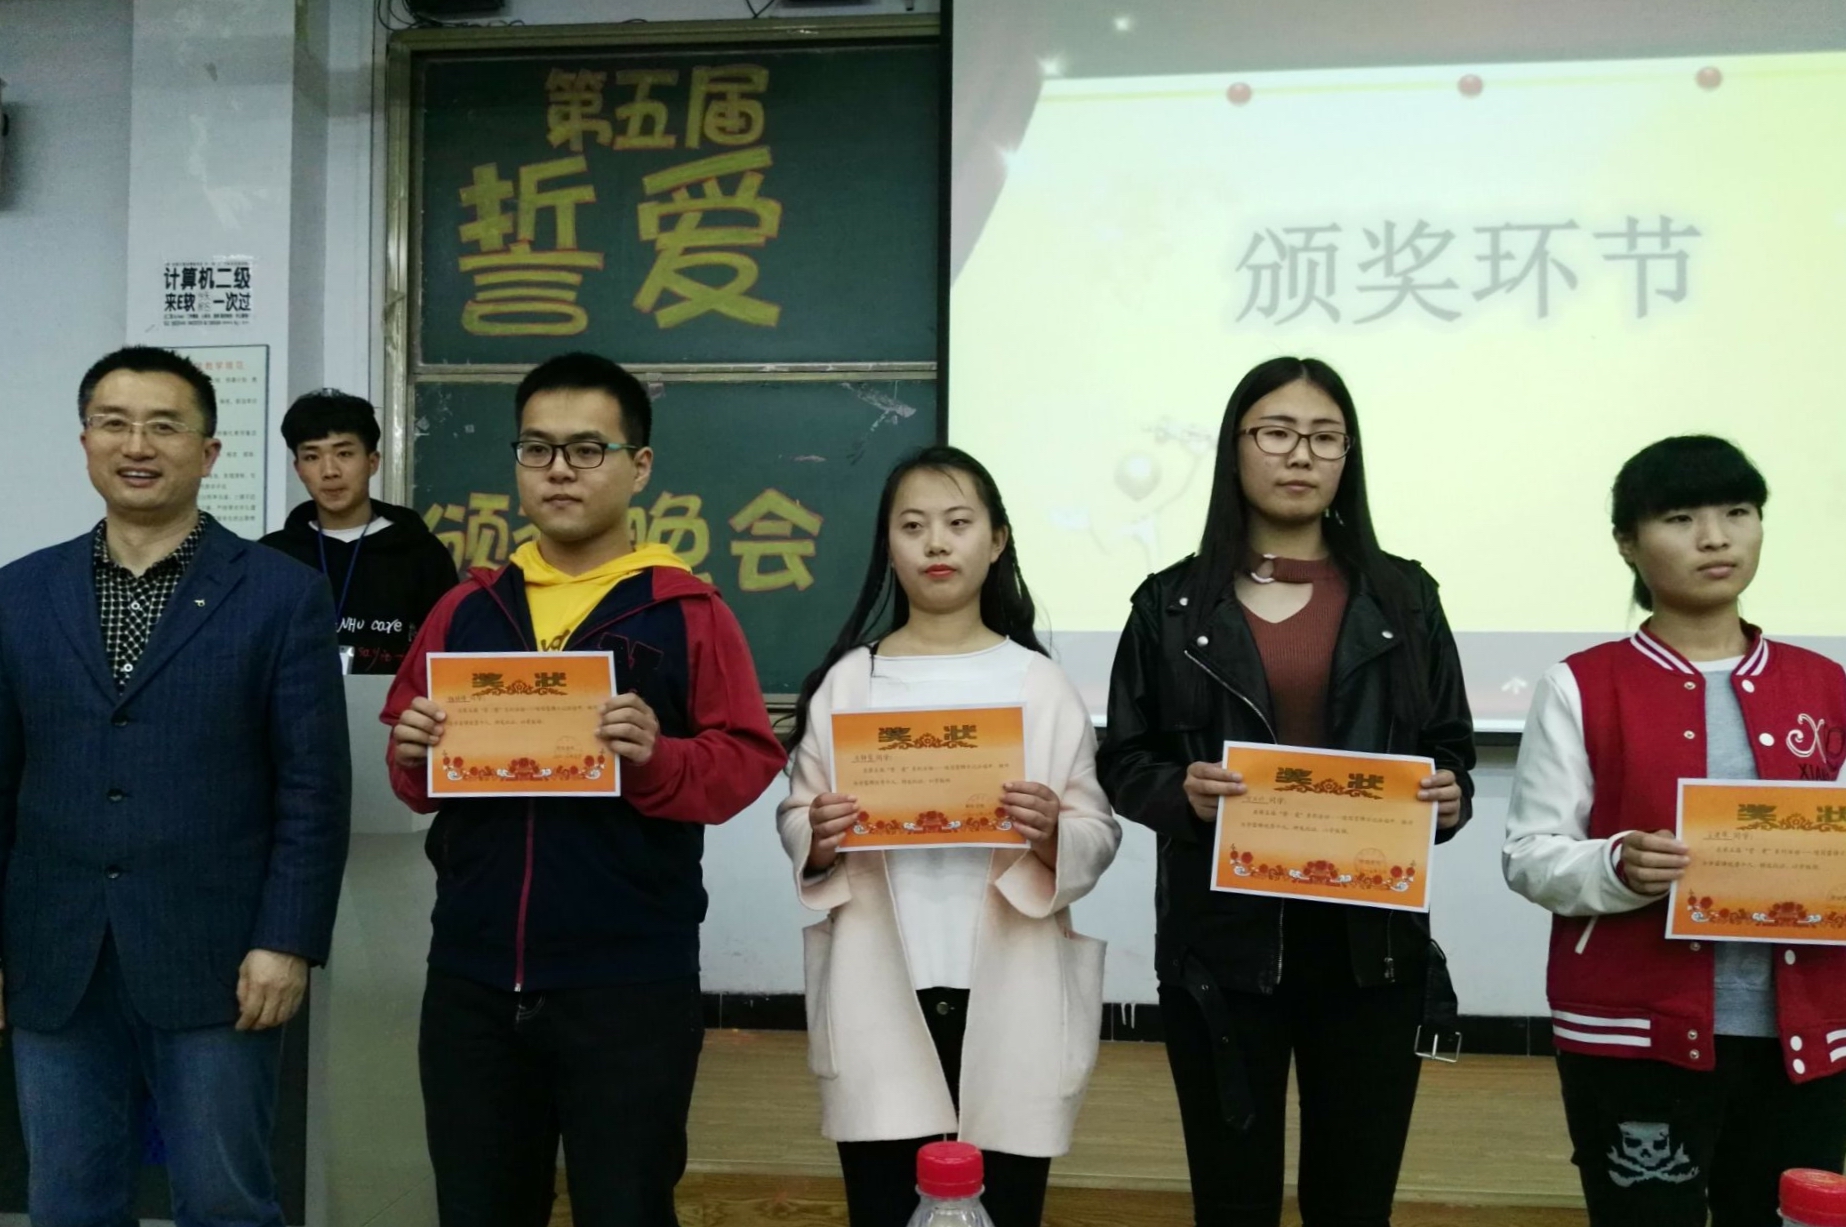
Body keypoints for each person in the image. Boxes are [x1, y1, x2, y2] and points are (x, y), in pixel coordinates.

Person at [381, 351, 786, 1227]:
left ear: (639, 466)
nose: (559, 469)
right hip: (474, 974)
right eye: (537, 448)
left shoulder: (687, 611)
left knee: (626, 1207)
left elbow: (744, 760)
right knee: (478, 1208)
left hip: (628, 980)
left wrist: (656, 757)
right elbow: (410, 769)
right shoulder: (465, 608)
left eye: (587, 449)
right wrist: (412, 753)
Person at [1097, 357, 1476, 1227]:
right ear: (1236, 448)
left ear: (1348, 456)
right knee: (1233, 1198)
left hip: (1371, 949)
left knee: (1354, 1199)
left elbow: (1448, 747)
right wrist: (1179, 791)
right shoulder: (1170, 604)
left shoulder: (1405, 597)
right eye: (1276, 432)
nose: (1300, 454)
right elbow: (1125, 758)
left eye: (1325, 437)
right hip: (1221, 951)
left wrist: (1451, 795)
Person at [0, 346, 351, 1227]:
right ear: (85, 441)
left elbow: (313, 789)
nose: (137, 445)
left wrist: (287, 941)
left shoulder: (282, 595)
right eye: (114, 423)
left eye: (164, 425)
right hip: (54, 953)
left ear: (209, 451)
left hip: (220, 958)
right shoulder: (19, 592)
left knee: (226, 1200)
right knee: (67, 1201)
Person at [1503, 435, 1846, 1226]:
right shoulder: (1581, 684)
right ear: (1627, 541)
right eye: (1681, 518)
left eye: (1738, 512)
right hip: (1633, 1029)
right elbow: (1529, 854)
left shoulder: (1824, 685)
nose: (1716, 537)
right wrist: (1617, 863)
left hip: (1803, 1033)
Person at [779, 446, 1122, 1227]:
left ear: (995, 541)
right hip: (877, 987)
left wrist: (1052, 833)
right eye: (913, 526)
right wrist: (819, 834)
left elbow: (1097, 830)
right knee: (881, 1202)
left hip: (1012, 983)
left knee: (1006, 1205)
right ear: (888, 544)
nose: (936, 543)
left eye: (958, 523)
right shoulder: (851, 681)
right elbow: (798, 815)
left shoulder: (1039, 683)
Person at [260, 388, 457, 675]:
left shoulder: (422, 553)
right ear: (298, 468)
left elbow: (448, 653)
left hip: (398, 704)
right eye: (312, 457)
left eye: (344, 453)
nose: (330, 471)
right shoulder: (272, 557)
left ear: (372, 461)